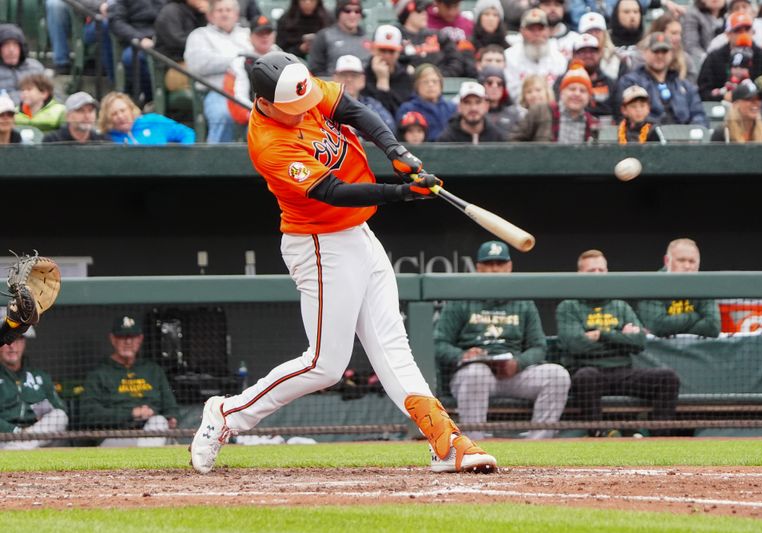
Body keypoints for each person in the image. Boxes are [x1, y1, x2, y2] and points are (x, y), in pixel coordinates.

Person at [189, 51, 497, 475]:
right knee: (324, 365)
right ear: (265, 102)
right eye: (293, 108)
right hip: (319, 243)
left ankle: (446, 442)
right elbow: (333, 191)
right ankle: (227, 414)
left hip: (359, 235)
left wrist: (395, 149)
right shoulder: (269, 144)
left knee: (394, 348)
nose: (304, 110)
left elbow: (354, 110)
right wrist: (403, 193)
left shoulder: (298, 85)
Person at [434, 241, 570, 440]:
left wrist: (519, 363)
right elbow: (439, 343)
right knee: (476, 373)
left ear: (509, 267)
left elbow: (539, 346)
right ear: (479, 268)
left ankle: (539, 444)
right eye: (489, 264)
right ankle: (474, 444)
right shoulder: (461, 298)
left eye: (500, 263)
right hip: (474, 375)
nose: (495, 269)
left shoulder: (523, 302)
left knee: (558, 375)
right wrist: (463, 355)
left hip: (513, 373)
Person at [556, 249, 680, 437]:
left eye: (601, 270)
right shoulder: (569, 306)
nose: (598, 275)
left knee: (667, 378)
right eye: (591, 271)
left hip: (623, 373)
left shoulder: (620, 305)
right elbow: (576, 345)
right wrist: (620, 338)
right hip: (590, 374)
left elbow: (639, 342)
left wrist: (602, 334)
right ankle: (598, 433)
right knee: (585, 376)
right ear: (580, 274)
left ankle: (660, 437)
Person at [82, 315, 179, 447]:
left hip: (152, 430)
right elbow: (89, 414)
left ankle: (144, 460)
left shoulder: (153, 370)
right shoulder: (99, 374)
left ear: (140, 339)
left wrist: (170, 418)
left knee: (159, 421)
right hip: (116, 437)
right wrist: (132, 413)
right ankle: (147, 461)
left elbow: (171, 407)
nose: (128, 342)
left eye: (132, 337)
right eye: (122, 337)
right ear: (113, 339)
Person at [185, 0, 252, 143]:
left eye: (228, 10)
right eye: (220, 10)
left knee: (266, 117)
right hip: (218, 92)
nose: (224, 14)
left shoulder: (247, 34)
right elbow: (197, 64)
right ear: (210, 15)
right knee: (223, 115)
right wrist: (236, 60)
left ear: (236, 14)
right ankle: (215, 161)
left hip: (251, 92)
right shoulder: (199, 35)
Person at [615, 33, 708, 126]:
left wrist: (693, 132)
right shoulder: (631, 82)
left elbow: (699, 114)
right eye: (656, 51)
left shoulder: (685, 86)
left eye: (664, 51)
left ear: (671, 54)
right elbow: (625, 117)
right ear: (645, 53)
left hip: (683, 137)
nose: (660, 56)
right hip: (647, 136)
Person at [0, 323, 68, 450]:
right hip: (4, 438)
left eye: (18, 339)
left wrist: (41, 410)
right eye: (6, 340)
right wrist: (15, 431)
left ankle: (19, 448)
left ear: (24, 342)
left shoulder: (40, 376)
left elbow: (59, 409)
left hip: (37, 435)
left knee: (60, 416)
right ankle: (21, 446)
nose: (12, 346)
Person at [638, 239, 722, 338]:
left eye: (692, 261)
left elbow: (713, 327)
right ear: (667, 261)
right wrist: (694, 316)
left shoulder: (704, 286)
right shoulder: (652, 285)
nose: (687, 266)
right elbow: (658, 327)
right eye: (681, 260)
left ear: (698, 263)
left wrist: (677, 329)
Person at [511, 64, 599, 143]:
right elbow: (514, 141)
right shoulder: (540, 111)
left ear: (589, 97)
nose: (577, 94)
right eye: (572, 89)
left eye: (582, 91)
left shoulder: (593, 123)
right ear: (562, 92)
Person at [697, 12, 762, 101]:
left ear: (753, 32)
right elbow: (703, 91)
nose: (743, 34)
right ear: (728, 34)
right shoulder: (714, 58)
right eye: (738, 31)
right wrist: (723, 96)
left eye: (747, 30)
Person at [225, 15, 282, 127]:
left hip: (285, 114)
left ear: (274, 35)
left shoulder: (284, 56)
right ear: (250, 37)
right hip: (257, 117)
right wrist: (261, 114)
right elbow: (239, 98)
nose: (264, 37)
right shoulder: (242, 61)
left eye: (268, 33)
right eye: (260, 33)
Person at [504, 8, 568, 103]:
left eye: (540, 29)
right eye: (531, 29)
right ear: (522, 31)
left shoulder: (559, 59)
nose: (537, 34)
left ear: (548, 31)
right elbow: (512, 93)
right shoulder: (509, 57)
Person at [395, 0, 472, 78]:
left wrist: (439, 77)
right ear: (406, 15)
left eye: (425, 10)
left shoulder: (439, 35)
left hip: (439, 82)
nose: (424, 14)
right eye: (419, 11)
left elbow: (455, 60)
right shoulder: (397, 36)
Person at [109, 0, 167, 103]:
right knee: (130, 58)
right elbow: (117, 22)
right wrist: (139, 38)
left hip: (164, 38)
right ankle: (150, 98)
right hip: (138, 38)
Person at [553, 35, 616, 118]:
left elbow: (618, 112)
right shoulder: (562, 81)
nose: (588, 55)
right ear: (574, 55)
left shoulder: (610, 82)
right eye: (583, 52)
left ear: (600, 54)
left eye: (592, 51)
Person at [98, 91, 196, 144]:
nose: (120, 116)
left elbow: (186, 133)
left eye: (123, 110)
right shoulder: (107, 139)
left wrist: (183, 159)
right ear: (108, 119)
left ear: (131, 110)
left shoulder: (154, 121)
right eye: (114, 114)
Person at [154, 0, 210, 91]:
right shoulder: (170, 11)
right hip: (174, 67)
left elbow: (214, 36)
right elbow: (177, 42)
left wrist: (208, 15)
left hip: (197, 62)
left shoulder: (202, 13)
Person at [362, 25, 415, 118]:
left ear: (398, 53)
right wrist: (382, 80)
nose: (386, 56)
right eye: (382, 50)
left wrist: (383, 82)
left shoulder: (405, 77)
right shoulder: (363, 75)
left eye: (391, 51)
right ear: (373, 50)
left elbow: (399, 115)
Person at [307, 0, 370, 77]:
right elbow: (316, 70)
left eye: (357, 11)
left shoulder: (368, 39)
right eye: (347, 11)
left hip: (363, 87)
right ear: (338, 13)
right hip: (333, 85)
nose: (353, 15)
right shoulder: (324, 36)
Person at [395, 63, 456, 141]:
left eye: (434, 81)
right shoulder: (407, 109)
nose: (431, 85)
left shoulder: (451, 108)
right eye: (425, 82)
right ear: (416, 86)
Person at [436, 80, 507, 142]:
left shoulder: (497, 138)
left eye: (478, 102)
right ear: (459, 106)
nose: (473, 108)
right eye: (467, 102)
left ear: (486, 106)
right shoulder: (446, 140)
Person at [0, 24, 45, 105]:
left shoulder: (35, 67)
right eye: (6, 45)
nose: (11, 49)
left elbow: (51, 95)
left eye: (15, 44)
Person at [648, 13, 698, 83]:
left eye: (680, 34)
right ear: (660, 33)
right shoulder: (643, 58)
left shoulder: (686, 59)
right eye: (674, 33)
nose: (678, 38)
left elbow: (692, 88)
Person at [43, 91, 108, 143]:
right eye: (80, 111)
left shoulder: (103, 141)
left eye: (90, 111)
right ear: (68, 116)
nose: (87, 116)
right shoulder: (52, 141)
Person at [578, 12, 623, 81]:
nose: (594, 35)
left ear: (604, 34)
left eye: (597, 31)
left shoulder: (618, 59)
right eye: (589, 31)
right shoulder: (575, 59)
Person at [480, 66, 524, 135]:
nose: (495, 86)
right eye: (490, 83)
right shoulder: (475, 114)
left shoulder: (514, 114)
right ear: (481, 85)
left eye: (499, 84)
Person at [683, 0, 727, 68]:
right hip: (702, 65)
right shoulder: (693, 14)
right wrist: (710, 60)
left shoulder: (729, 16)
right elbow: (691, 47)